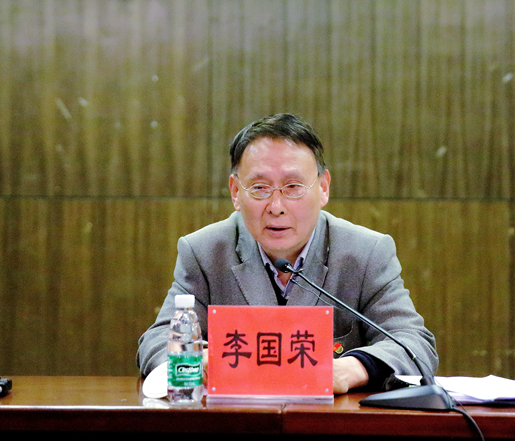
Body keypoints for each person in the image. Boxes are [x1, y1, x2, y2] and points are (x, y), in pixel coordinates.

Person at [137, 113, 438, 394]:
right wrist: (194, 360)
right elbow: (157, 341)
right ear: (235, 192)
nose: (276, 206)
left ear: (323, 187)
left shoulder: (365, 253)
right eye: (260, 188)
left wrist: (353, 369)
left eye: (293, 186)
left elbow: (413, 343)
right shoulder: (205, 253)